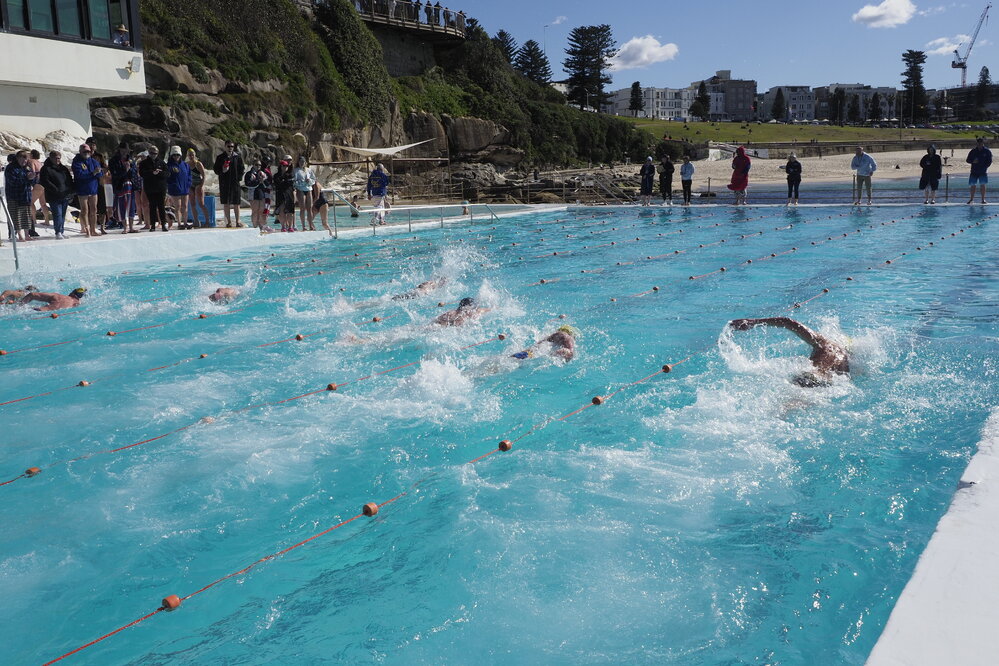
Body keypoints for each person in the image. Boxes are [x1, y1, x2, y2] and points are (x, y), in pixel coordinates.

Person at [728, 317, 849, 387]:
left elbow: (789, 322)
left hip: (809, 375)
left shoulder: (825, 344)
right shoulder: (845, 363)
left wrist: (752, 322)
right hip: (828, 384)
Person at [39, 151, 74, 239]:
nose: (57, 160)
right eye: (55, 158)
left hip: (64, 194)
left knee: (62, 214)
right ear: (50, 158)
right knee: (57, 213)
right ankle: (58, 231)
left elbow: (69, 179)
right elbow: (45, 181)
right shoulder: (45, 168)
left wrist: (70, 190)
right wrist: (56, 190)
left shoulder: (63, 169)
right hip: (53, 196)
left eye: (58, 158)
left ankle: (61, 231)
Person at [71, 143, 102, 237]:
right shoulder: (77, 162)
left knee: (94, 209)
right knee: (84, 210)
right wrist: (93, 173)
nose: (86, 153)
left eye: (88, 151)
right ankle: (87, 229)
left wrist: (96, 173)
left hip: (93, 189)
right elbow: (79, 175)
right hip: (82, 189)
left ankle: (93, 229)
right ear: (80, 151)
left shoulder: (93, 161)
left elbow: (99, 174)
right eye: (84, 151)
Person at [213, 141, 245, 227]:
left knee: (236, 203)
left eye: (232, 146)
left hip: (235, 183)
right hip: (224, 183)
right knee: (226, 203)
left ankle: (238, 221)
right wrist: (222, 170)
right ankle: (228, 222)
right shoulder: (220, 157)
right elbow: (216, 169)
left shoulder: (237, 157)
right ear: (225, 147)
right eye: (228, 146)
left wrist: (239, 178)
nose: (230, 148)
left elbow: (242, 168)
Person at [4, 151, 34, 242]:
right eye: (22, 159)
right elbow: (13, 182)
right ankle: (19, 235)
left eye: (26, 159)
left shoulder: (27, 168)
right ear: (17, 158)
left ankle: (27, 234)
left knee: (26, 216)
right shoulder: (11, 168)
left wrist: (32, 178)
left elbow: (32, 181)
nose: (24, 161)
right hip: (14, 196)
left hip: (25, 196)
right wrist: (26, 178)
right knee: (16, 217)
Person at [139, 145, 169, 232]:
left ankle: (163, 224)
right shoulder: (144, 163)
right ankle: (152, 225)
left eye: (155, 153)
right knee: (152, 206)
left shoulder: (161, 163)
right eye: (152, 153)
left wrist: (159, 173)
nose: (153, 155)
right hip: (150, 188)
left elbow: (167, 173)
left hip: (161, 188)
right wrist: (152, 173)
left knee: (161, 206)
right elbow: (142, 173)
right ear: (149, 152)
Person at [511, 326, 578, 362]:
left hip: (543, 347)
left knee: (532, 351)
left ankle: (513, 357)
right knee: (534, 352)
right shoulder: (568, 338)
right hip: (554, 347)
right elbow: (570, 352)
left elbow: (539, 344)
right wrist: (553, 354)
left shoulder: (558, 335)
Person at [165, 146, 192, 229]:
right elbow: (166, 177)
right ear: (171, 156)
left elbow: (189, 176)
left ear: (180, 155)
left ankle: (185, 222)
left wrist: (188, 184)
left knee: (185, 206)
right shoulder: (169, 165)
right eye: (174, 155)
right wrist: (172, 184)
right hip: (175, 189)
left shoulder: (185, 165)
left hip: (185, 188)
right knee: (178, 206)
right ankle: (179, 223)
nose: (176, 156)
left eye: (177, 155)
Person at [110, 154, 138, 233]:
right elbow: (116, 175)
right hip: (120, 187)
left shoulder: (130, 161)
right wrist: (125, 170)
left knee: (131, 207)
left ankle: (131, 227)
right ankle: (125, 227)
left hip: (130, 187)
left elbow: (134, 173)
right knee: (122, 207)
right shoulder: (115, 162)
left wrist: (129, 169)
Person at [245, 159, 270, 232]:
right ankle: (255, 225)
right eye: (256, 165)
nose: (258, 166)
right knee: (255, 211)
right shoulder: (249, 174)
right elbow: (248, 184)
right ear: (253, 165)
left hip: (261, 194)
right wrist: (258, 181)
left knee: (261, 210)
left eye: (259, 165)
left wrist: (263, 180)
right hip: (253, 195)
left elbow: (267, 184)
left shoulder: (262, 173)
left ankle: (261, 225)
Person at [293, 155, 317, 231]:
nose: (301, 163)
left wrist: (309, 181)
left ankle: (310, 224)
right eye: (300, 161)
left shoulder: (309, 170)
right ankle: (303, 226)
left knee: (309, 208)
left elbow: (313, 179)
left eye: (303, 161)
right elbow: (294, 181)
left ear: (305, 162)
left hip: (308, 189)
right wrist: (301, 182)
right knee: (302, 208)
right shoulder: (296, 170)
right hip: (300, 189)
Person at [966, 137, 992, 204]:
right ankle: (971, 199)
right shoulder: (973, 151)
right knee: (972, 185)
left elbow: (989, 161)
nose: (980, 144)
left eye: (981, 143)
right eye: (978, 143)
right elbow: (968, 160)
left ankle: (983, 199)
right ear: (977, 143)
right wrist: (973, 161)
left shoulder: (987, 151)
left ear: (983, 143)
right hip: (974, 170)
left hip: (983, 171)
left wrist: (985, 167)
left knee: (983, 185)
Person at [272, 159, 296, 232]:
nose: (285, 167)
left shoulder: (290, 175)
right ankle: (283, 226)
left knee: (290, 211)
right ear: (281, 166)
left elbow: (290, 184)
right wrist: (284, 182)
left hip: (289, 194)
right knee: (282, 211)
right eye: (284, 166)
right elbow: (277, 184)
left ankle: (290, 226)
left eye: (286, 166)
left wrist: (284, 181)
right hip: (280, 194)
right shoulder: (276, 175)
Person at [28, 149, 49, 229]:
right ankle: (46, 220)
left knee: (30, 202)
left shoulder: (31, 161)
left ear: (32, 155)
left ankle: (34, 220)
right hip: (43, 183)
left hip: (37, 183)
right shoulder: (40, 163)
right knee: (43, 203)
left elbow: (33, 171)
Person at [186, 148, 208, 227]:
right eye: (189, 155)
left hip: (198, 184)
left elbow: (203, 175)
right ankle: (196, 221)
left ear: (195, 155)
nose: (191, 156)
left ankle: (207, 221)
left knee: (201, 204)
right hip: (191, 185)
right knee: (192, 204)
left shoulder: (198, 164)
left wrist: (201, 185)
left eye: (192, 155)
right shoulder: (187, 164)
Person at [20, 287, 87, 311]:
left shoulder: (57, 296)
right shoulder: (76, 304)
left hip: (36, 310)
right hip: (48, 316)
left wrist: (19, 305)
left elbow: (32, 294)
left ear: (72, 293)